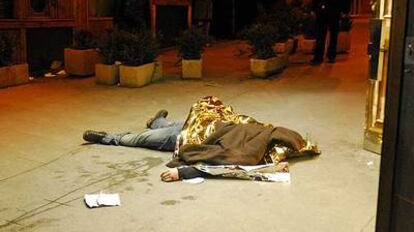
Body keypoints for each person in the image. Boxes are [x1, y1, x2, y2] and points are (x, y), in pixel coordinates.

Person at [83, 97, 320, 182]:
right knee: (154, 133)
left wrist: (183, 173)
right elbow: (230, 163)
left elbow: (224, 167)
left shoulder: (256, 150)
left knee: (144, 138)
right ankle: (157, 122)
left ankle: (109, 138)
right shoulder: (260, 139)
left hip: (188, 135)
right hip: (202, 125)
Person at [310, 0, 351, 65]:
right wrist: (313, 8)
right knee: (320, 34)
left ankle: (331, 55)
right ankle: (318, 57)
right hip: (322, 9)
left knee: (333, 34)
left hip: (335, 9)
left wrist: (345, 10)